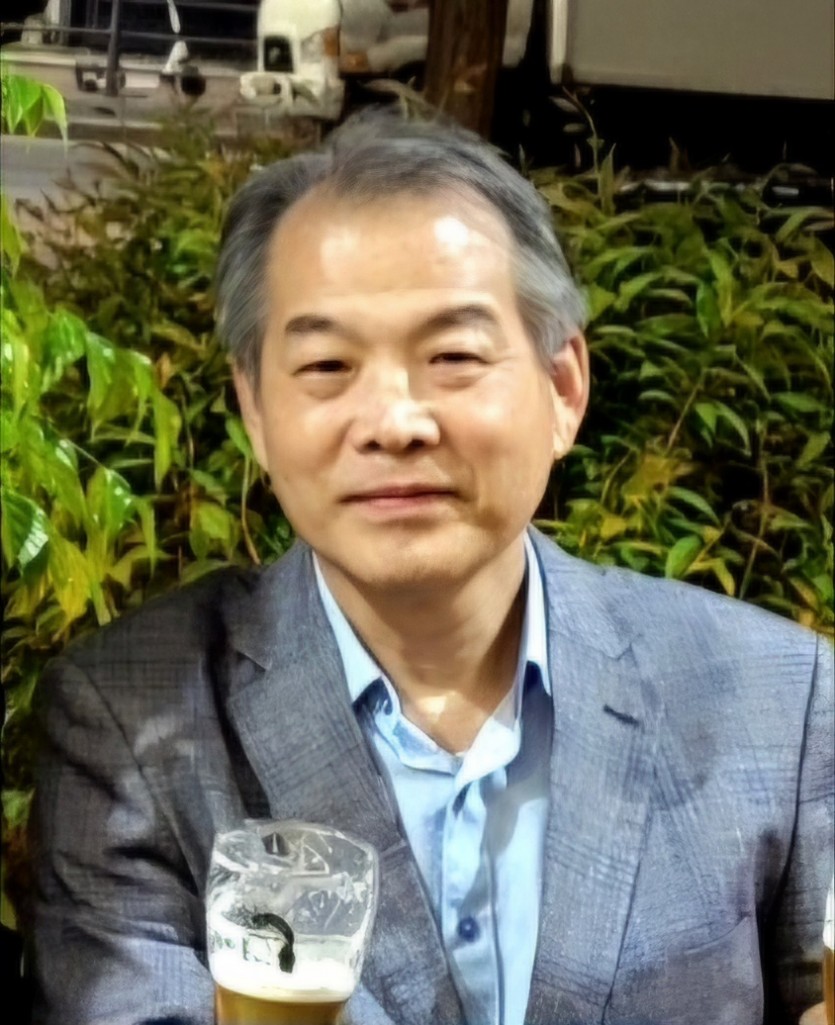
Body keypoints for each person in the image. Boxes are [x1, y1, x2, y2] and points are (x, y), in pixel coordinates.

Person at [28, 110, 833, 1025]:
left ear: (563, 389)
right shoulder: (133, 722)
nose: (395, 421)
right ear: (254, 411)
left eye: (452, 355)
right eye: (326, 365)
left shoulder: (779, 698)